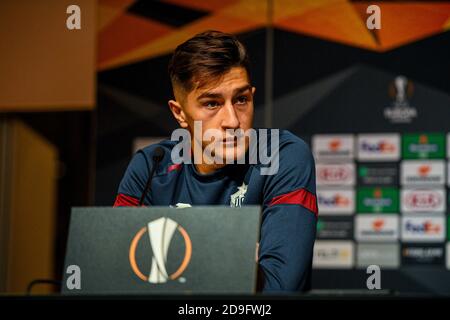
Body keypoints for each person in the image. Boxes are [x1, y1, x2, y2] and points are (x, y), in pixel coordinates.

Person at [114, 30, 318, 292]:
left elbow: (278, 290)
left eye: (242, 99)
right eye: (212, 104)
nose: (232, 121)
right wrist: (238, 259)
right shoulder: (151, 166)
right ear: (179, 113)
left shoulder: (283, 157)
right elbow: (116, 279)